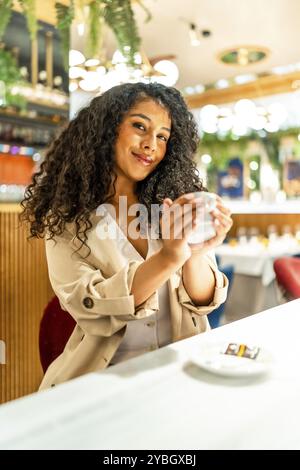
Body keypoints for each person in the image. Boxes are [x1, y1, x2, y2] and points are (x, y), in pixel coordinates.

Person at [21, 82, 232, 389]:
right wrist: (169, 257)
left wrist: (196, 252)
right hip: (103, 380)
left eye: (162, 136)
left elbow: (202, 302)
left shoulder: (173, 202)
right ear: (107, 129)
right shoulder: (66, 218)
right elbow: (88, 305)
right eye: (139, 126)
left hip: (182, 373)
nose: (151, 145)